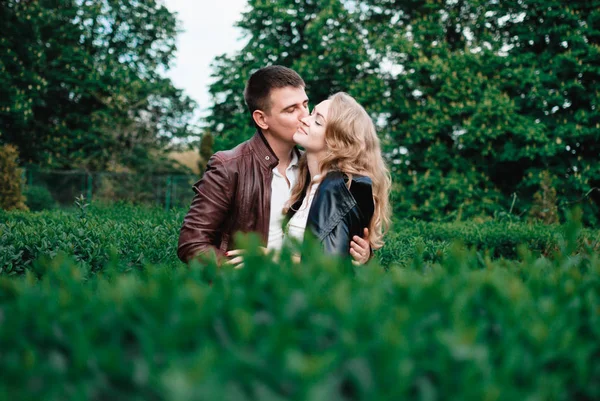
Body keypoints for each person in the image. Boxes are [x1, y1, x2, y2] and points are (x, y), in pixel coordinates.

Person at [177, 66, 371, 265]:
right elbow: (192, 244)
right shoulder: (229, 166)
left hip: (299, 291)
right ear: (262, 119)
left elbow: (329, 243)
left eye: (305, 105)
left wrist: (362, 252)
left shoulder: (316, 168)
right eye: (291, 109)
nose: (304, 116)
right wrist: (242, 271)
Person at [282, 92, 391, 258]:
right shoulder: (309, 182)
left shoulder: (335, 189)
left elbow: (326, 270)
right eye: (312, 113)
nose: (305, 119)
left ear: (337, 142)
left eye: (318, 122)